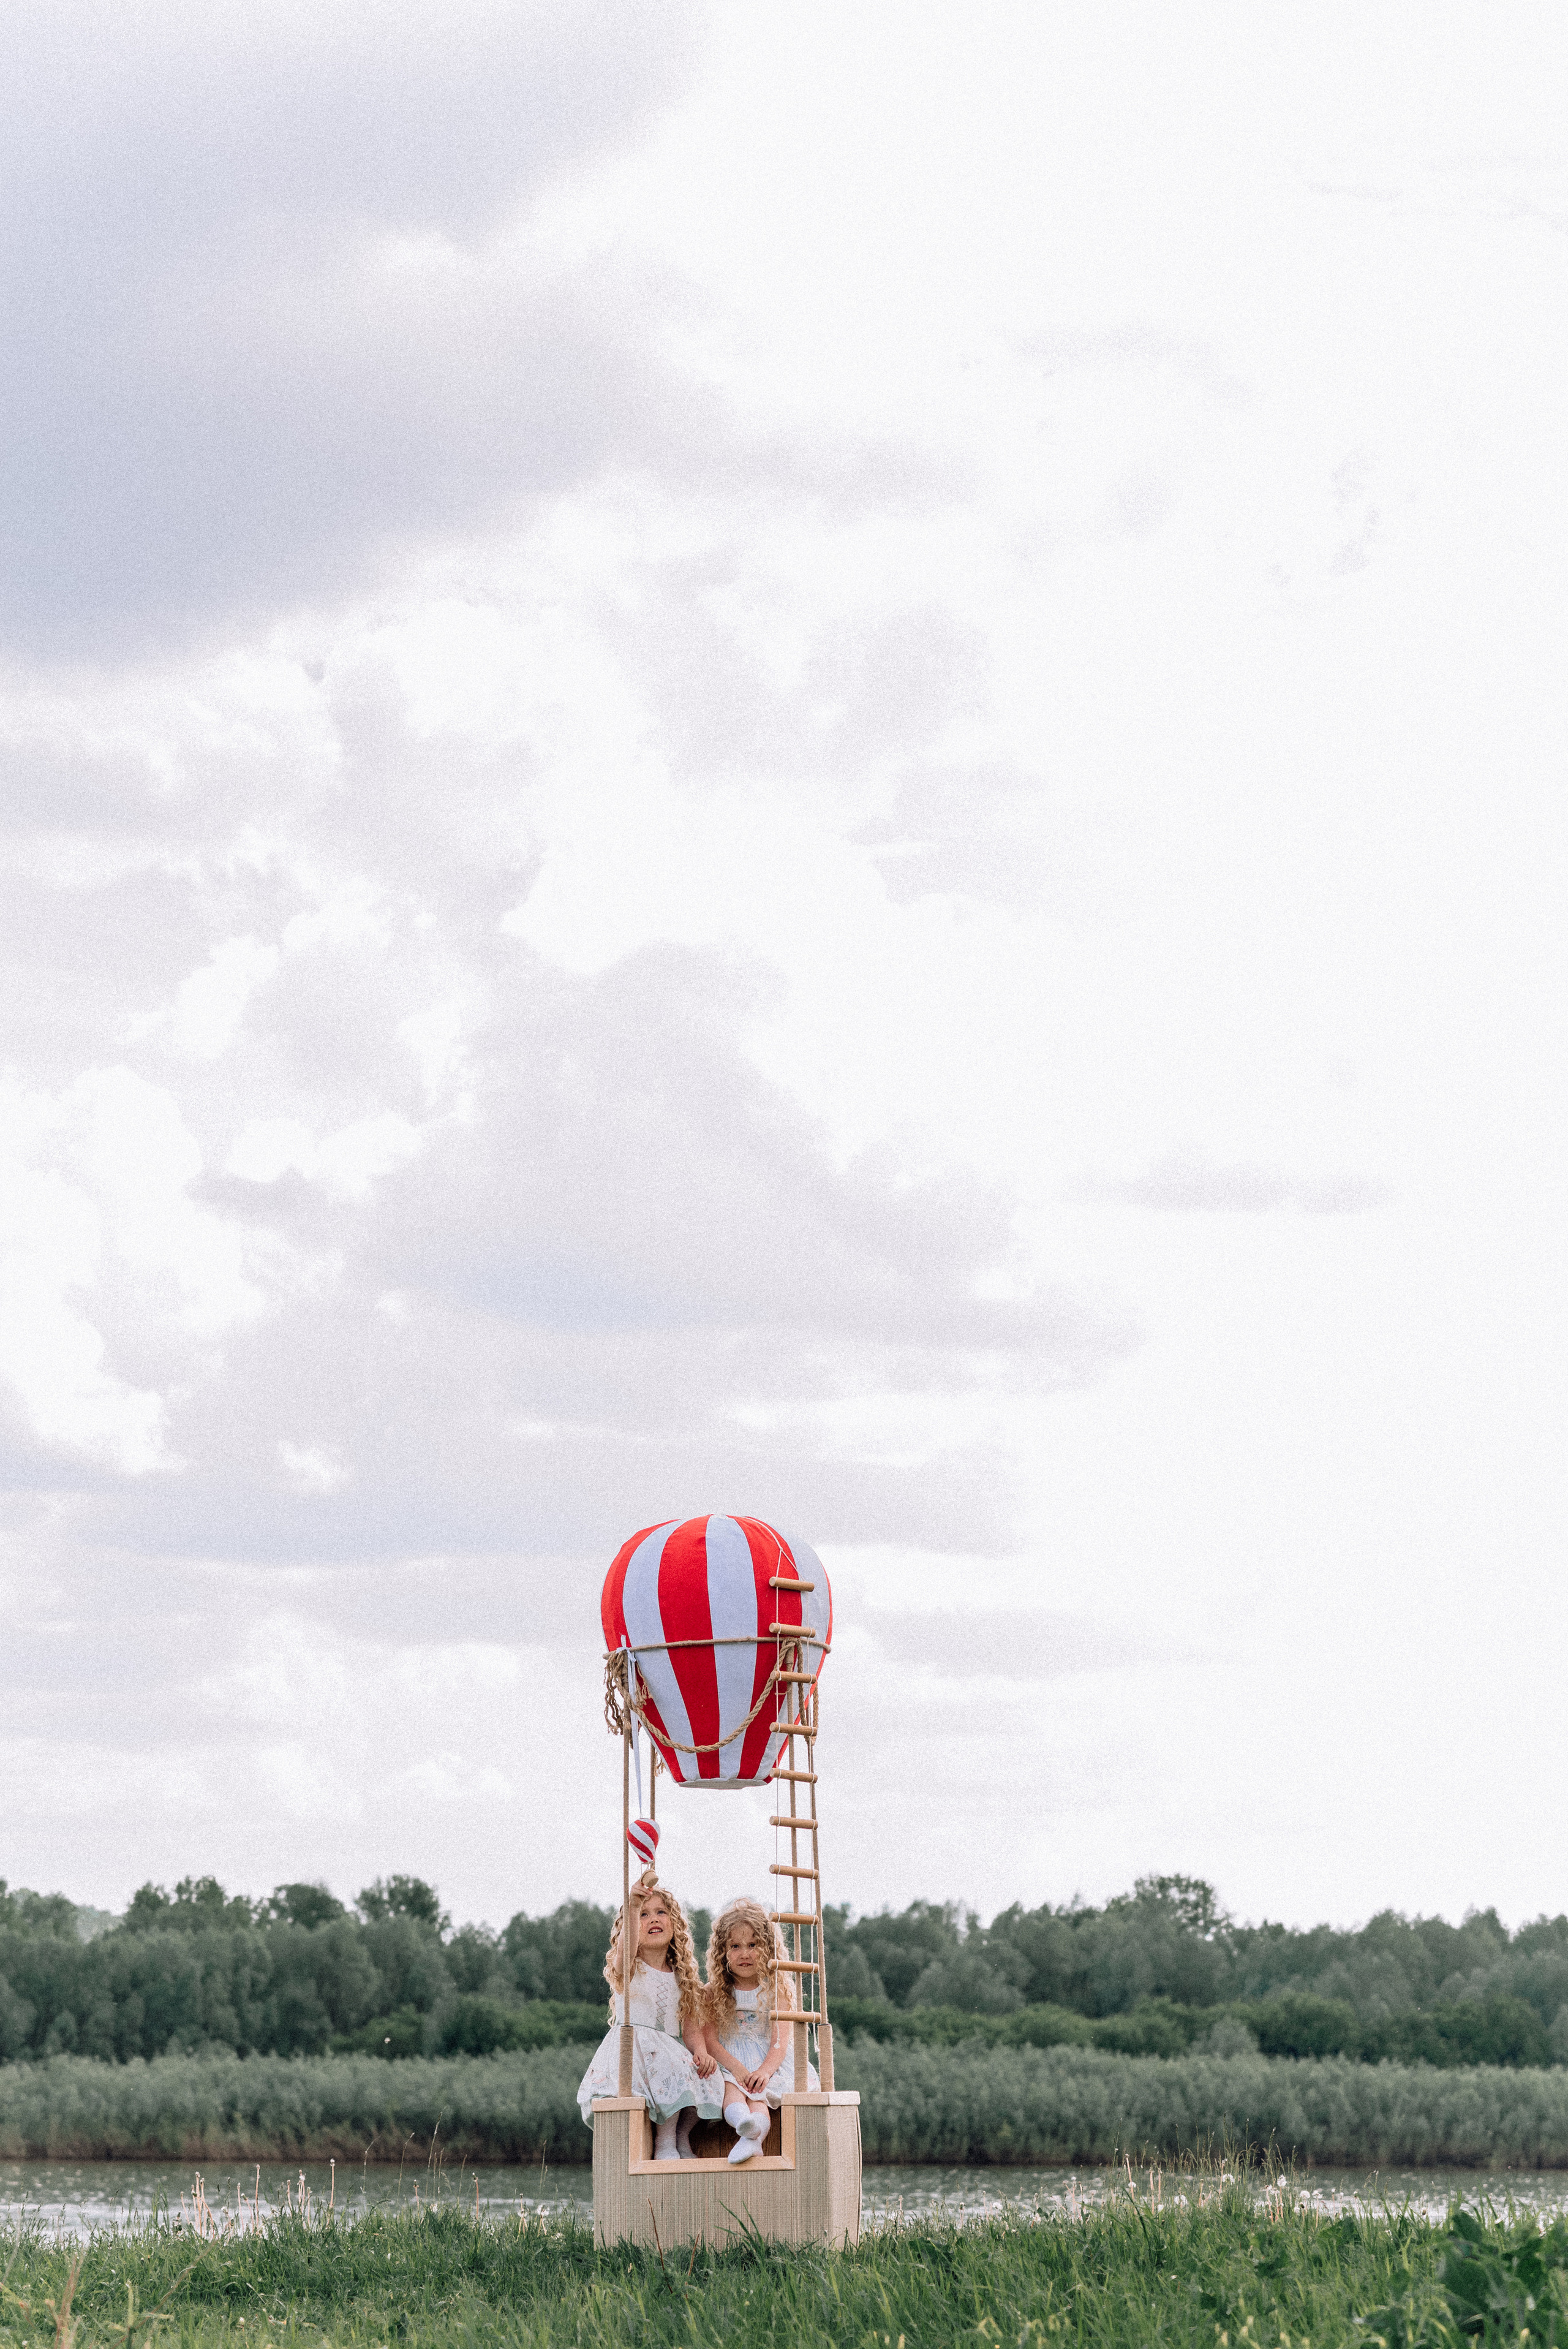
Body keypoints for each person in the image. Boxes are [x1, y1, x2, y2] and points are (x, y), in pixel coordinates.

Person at [576, 1878, 721, 2158]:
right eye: (644, 1914)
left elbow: (690, 2027)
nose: (653, 1919)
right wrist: (632, 1906)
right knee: (671, 2066)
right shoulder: (630, 1966)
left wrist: (701, 2052)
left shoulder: (684, 1977)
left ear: (674, 1923)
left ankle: (681, 2137)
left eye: (660, 1912)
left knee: (708, 2076)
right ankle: (664, 2143)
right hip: (634, 2049)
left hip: (670, 2047)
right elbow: (623, 1954)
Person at [701, 1894, 818, 2166]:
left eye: (753, 1945)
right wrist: (738, 2070)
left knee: (759, 2098)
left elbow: (780, 2041)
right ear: (723, 1952)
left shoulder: (777, 1991)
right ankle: (744, 2123)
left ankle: (753, 2140)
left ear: (768, 1948)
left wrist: (764, 2072)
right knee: (732, 2088)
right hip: (729, 2059)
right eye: (735, 1946)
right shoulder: (713, 1992)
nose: (745, 1953)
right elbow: (710, 2041)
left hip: (769, 2060)